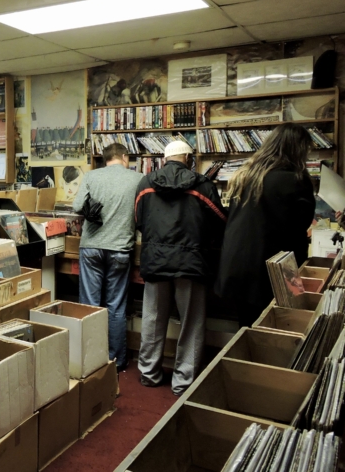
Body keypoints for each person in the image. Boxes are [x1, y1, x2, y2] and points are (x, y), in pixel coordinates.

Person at [135, 140, 226, 396]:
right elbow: (220, 220)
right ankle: (183, 381)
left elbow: (139, 221)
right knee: (191, 323)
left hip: (156, 260)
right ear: (187, 157)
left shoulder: (145, 184)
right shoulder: (203, 185)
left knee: (152, 319)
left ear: (165, 158)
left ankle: (149, 374)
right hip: (192, 262)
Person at [216, 124, 315, 327]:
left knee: (248, 329)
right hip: (278, 269)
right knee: (287, 325)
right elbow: (299, 227)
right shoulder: (297, 179)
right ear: (298, 149)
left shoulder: (245, 175)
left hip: (238, 267)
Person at [72, 143, 142, 371]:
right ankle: (117, 361)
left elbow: (76, 206)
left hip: (91, 247)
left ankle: (90, 359)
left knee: (90, 306)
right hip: (120, 249)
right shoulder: (138, 179)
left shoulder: (92, 176)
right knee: (116, 307)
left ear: (105, 159)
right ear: (124, 156)